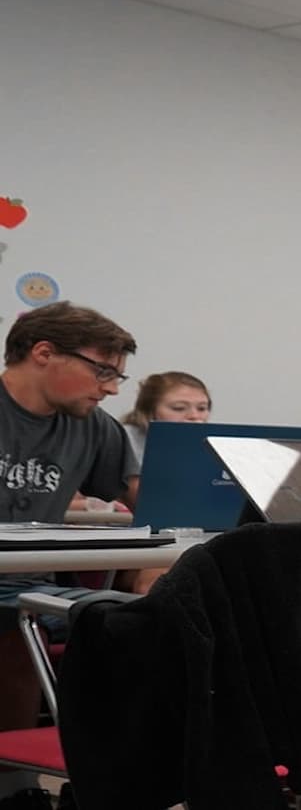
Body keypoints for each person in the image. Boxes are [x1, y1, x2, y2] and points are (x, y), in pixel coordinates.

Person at [0, 301, 141, 809]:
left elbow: (149, 504)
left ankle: (22, 784)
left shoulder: (95, 427)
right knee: (18, 625)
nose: (110, 388)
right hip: (17, 587)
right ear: (43, 353)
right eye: (102, 370)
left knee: (123, 620)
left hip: (24, 584)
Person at [118, 370, 212, 459]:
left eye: (202, 408)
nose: (194, 416)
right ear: (150, 411)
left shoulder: (214, 443)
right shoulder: (123, 439)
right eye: (179, 408)